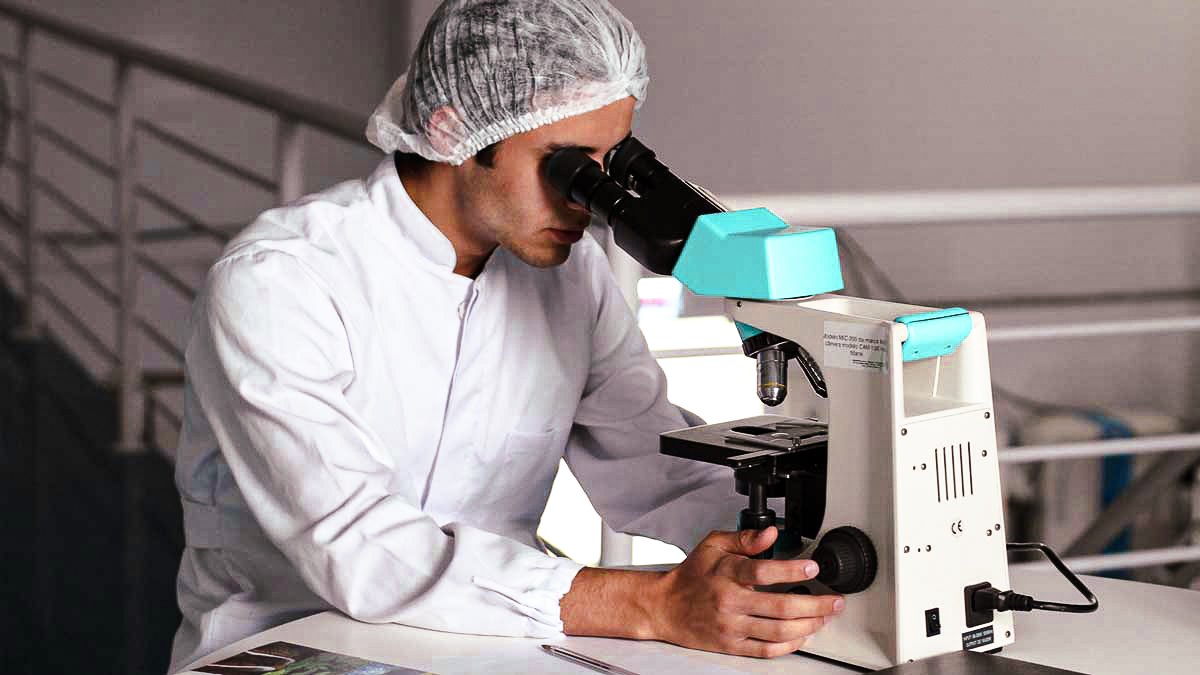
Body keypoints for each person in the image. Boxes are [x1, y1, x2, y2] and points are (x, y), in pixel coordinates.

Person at [168, 1, 843, 671]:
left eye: (610, 166)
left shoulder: (572, 279)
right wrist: (652, 602)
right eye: (567, 167)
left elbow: (655, 471)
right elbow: (360, 548)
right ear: (455, 130)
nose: (588, 200)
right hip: (293, 647)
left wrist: (805, 540)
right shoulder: (282, 282)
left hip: (491, 645)